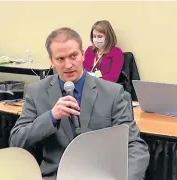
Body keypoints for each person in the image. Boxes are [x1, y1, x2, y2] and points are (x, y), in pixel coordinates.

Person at [9, 27, 149, 180]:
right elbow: (16, 141)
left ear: (83, 54)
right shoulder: (36, 92)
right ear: (51, 61)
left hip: (100, 176)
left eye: (73, 56)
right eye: (60, 59)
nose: (68, 65)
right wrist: (51, 117)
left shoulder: (113, 93)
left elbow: (135, 145)